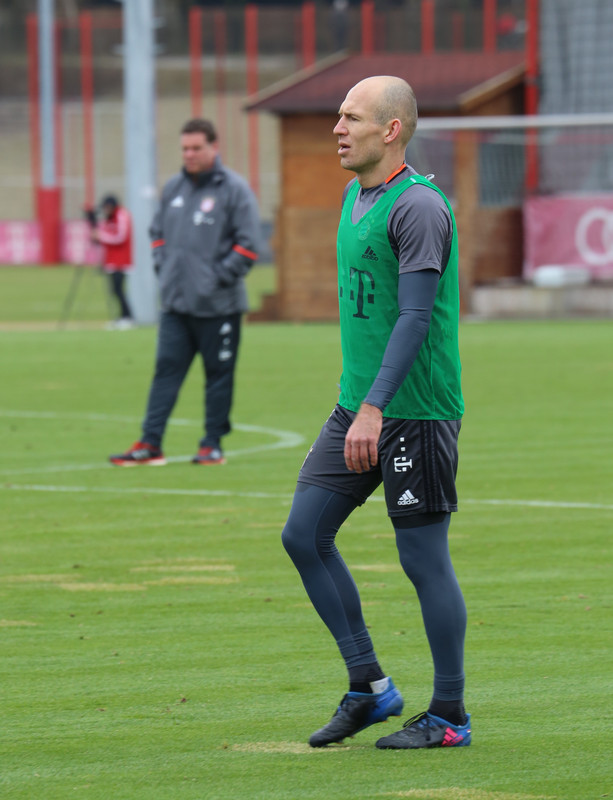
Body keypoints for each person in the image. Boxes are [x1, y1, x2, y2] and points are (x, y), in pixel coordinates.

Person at [281, 76, 470, 750]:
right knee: (303, 534)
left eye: (351, 117)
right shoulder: (351, 197)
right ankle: (369, 687)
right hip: (356, 407)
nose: (337, 127)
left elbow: (415, 318)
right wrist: (356, 406)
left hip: (411, 412)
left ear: (390, 130)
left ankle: (449, 715)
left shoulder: (418, 207)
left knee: (423, 560)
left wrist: (374, 408)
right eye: (337, 116)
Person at [109, 118, 260, 467]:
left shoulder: (234, 190)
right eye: (184, 148)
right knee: (165, 371)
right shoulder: (175, 187)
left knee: (218, 377)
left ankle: (212, 444)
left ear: (213, 148)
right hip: (176, 305)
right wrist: (163, 264)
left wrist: (215, 278)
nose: (189, 154)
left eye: (196, 148)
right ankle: (150, 443)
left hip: (219, 306)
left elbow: (249, 245)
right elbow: (157, 232)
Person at [90, 195, 134, 329]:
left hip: (121, 260)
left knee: (119, 290)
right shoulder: (109, 217)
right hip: (110, 260)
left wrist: (101, 236)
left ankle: (128, 317)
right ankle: (121, 317)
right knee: (114, 290)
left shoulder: (121, 215)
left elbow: (120, 237)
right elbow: (104, 232)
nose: (106, 210)